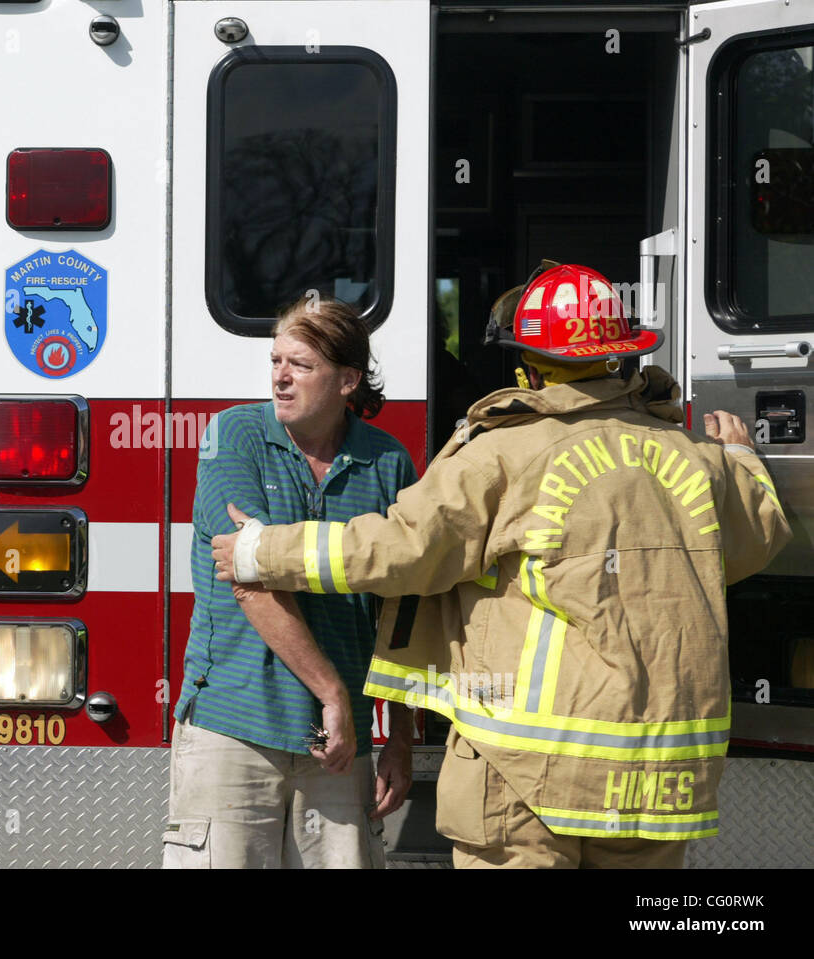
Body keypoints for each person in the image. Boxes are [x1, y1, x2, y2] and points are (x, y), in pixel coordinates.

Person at [214, 263, 791, 868]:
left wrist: (264, 552)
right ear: (616, 357)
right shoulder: (697, 458)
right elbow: (756, 540)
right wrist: (740, 457)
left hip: (528, 774)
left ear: (530, 366)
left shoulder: (505, 452)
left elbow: (403, 550)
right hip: (654, 785)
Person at [163, 294, 417, 869]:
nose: (280, 377)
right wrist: (334, 696)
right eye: (276, 361)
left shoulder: (390, 463)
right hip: (233, 728)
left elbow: (404, 609)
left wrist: (400, 740)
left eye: (300, 365)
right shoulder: (235, 436)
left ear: (348, 379)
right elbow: (250, 582)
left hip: (340, 744)